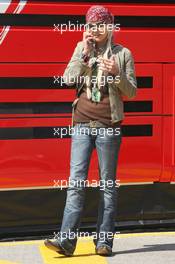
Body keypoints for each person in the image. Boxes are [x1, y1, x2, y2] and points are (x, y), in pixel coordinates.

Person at [44, 5, 137, 257]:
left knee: (107, 185)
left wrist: (116, 74)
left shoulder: (123, 53)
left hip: (109, 126)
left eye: (100, 25)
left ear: (110, 27)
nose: (95, 30)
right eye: (91, 25)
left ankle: (104, 242)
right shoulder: (81, 48)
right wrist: (84, 55)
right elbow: (68, 79)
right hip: (82, 124)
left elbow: (132, 91)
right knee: (75, 184)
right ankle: (66, 241)